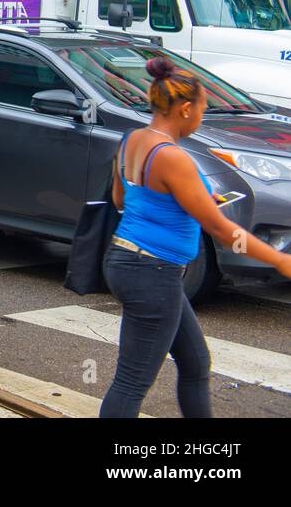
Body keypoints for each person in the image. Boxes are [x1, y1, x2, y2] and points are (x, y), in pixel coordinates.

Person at [100, 56, 291, 418]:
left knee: (195, 362)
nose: (203, 116)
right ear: (186, 109)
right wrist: (279, 259)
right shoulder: (173, 157)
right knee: (132, 381)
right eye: (203, 108)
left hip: (134, 263)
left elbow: (121, 198)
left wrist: (190, 199)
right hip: (150, 271)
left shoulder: (133, 140)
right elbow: (221, 229)